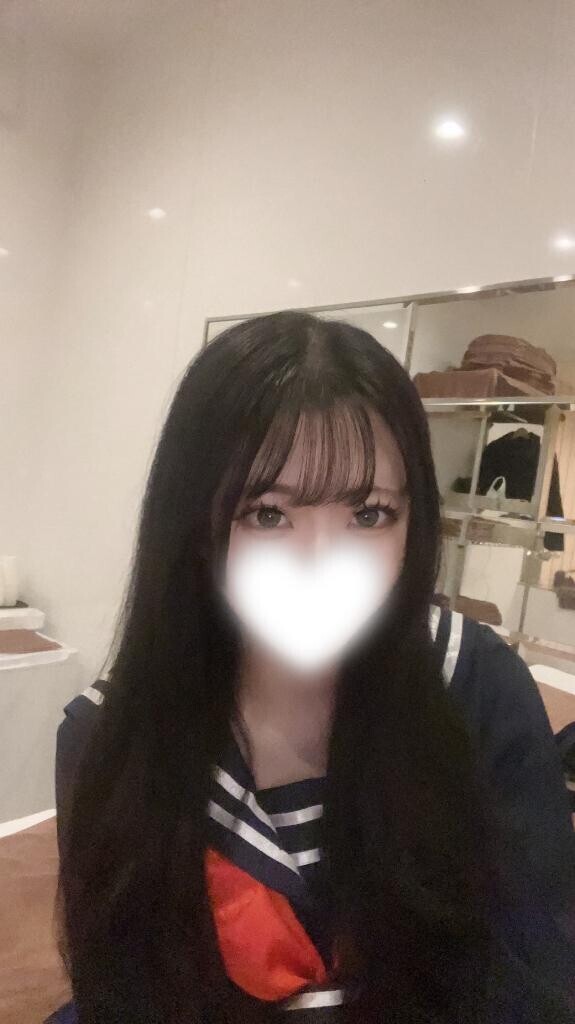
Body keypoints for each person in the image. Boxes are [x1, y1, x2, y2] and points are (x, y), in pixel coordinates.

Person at [49, 312, 575, 1024]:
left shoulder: (474, 688)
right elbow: (124, 992)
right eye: (267, 514)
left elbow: (533, 982)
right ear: (195, 528)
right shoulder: (111, 738)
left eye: (369, 514)